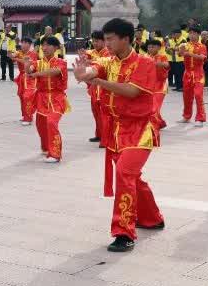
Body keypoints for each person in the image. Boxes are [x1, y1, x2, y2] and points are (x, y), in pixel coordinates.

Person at [74, 18, 165, 252]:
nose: (107, 43)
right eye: (105, 39)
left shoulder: (144, 62)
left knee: (125, 173)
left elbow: (131, 91)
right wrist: (83, 72)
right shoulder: (109, 61)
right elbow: (92, 70)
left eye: (111, 39)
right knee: (131, 176)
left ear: (126, 39)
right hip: (115, 129)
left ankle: (124, 232)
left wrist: (98, 81)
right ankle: (152, 217)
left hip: (140, 128)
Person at [29, 36, 69, 163]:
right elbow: (29, 71)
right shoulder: (38, 63)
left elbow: (54, 72)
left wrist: (37, 74)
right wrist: (26, 65)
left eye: (48, 45)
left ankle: (55, 154)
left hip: (57, 98)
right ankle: (46, 148)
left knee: (51, 122)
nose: (44, 48)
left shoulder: (61, 62)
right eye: (43, 45)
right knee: (40, 124)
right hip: (41, 97)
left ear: (56, 48)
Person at [177, 27, 208, 126]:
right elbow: (180, 54)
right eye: (190, 33)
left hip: (198, 73)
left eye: (194, 33)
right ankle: (186, 116)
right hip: (187, 73)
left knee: (198, 95)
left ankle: (200, 118)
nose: (192, 35)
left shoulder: (202, 46)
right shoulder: (185, 45)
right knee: (186, 96)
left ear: (198, 35)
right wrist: (181, 50)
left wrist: (189, 54)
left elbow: (202, 58)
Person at [85, 31, 109, 145]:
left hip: (104, 86)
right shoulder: (91, 52)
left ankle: (105, 139)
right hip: (94, 87)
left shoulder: (108, 53)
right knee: (96, 112)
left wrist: (89, 62)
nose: (95, 43)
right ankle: (99, 134)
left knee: (104, 113)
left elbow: (102, 64)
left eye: (97, 41)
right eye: (93, 41)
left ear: (103, 41)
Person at [11, 36, 38, 126]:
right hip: (21, 78)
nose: (23, 44)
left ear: (29, 45)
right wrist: (12, 54)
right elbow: (11, 56)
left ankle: (28, 118)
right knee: (22, 97)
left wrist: (16, 59)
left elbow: (28, 63)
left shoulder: (32, 54)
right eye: (22, 42)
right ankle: (25, 115)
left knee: (27, 97)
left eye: (25, 43)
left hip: (30, 77)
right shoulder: (19, 52)